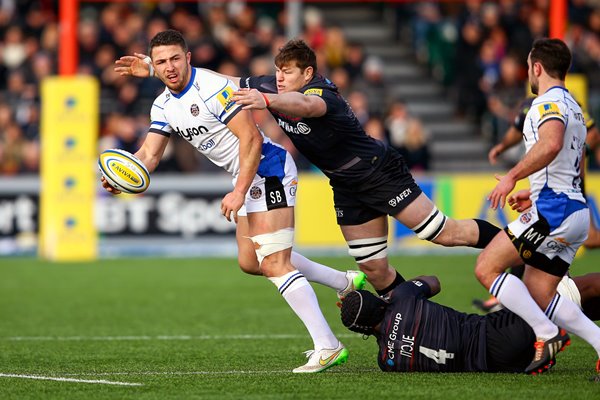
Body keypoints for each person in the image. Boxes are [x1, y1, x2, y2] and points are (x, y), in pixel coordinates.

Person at [115, 39, 502, 301]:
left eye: (288, 72)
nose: (280, 77)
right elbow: (214, 82)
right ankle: (415, 314)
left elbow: (305, 108)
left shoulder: (323, 94)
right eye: (277, 71)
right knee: (374, 268)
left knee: (443, 233)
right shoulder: (275, 82)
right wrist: (156, 69)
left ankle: (515, 251)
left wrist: (268, 99)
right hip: (345, 184)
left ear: (309, 73)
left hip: (376, 171)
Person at [105, 29, 365, 373]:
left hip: (268, 170)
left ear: (189, 58)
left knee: (274, 263)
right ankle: (343, 282)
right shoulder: (163, 105)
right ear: (153, 65)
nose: (169, 67)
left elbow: (252, 140)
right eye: (161, 62)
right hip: (246, 176)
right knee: (251, 261)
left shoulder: (214, 88)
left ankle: (328, 345)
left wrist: (239, 191)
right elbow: (149, 154)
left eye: (174, 59)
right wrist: (125, 175)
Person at [475, 38, 600, 375]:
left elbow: (551, 143)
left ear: (537, 68)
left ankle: (547, 333)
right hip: (572, 209)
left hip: (555, 211)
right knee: (539, 291)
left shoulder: (546, 103)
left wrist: (512, 177)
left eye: (529, 66)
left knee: (487, 267)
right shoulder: (573, 105)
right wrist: (535, 191)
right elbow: (570, 158)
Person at [474, 96, 600, 313]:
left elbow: (593, 134)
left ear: (537, 68)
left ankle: (526, 302)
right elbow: (517, 126)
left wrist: (575, 154)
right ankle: (514, 299)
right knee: (526, 239)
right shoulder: (533, 104)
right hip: (552, 193)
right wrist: (502, 147)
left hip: (566, 190)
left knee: (588, 240)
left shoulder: (564, 103)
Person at [340, 273, 600, 376]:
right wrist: (389, 295)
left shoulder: (387, 362)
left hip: (505, 365)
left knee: (577, 307)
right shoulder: (402, 299)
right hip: (499, 331)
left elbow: (389, 333)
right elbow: (434, 281)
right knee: (576, 288)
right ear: (379, 301)